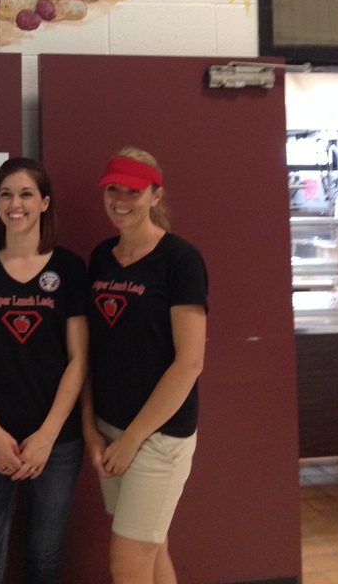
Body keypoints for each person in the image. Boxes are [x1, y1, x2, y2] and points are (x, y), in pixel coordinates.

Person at [0, 156, 88, 584]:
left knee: (44, 561)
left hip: (58, 443)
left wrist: (48, 435)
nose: (15, 203)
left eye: (26, 193)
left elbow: (78, 358)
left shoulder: (68, 269)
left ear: (45, 202)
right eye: (6, 194)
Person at [82, 147, 208, 584]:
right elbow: (92, 352)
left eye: (133, 191)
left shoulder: (180, 259)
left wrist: (133, 439)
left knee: (127, 564)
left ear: (155, 195)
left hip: (157, 436)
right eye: (112, 189)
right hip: (110, 429)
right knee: (153, 551)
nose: (121, 199)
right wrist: (90, 428)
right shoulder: (100, 258)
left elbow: (189, 363)